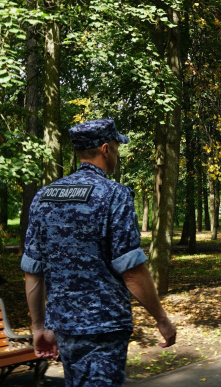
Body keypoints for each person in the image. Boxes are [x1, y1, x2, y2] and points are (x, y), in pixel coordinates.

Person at [22, 119, 176, 386]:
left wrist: (39, 327)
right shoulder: (114, 195)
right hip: (104, 328)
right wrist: (161, 319)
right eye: (116, 148)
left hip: (64, 326)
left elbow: (33, 272)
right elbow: (131, 271)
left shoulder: (44, 196)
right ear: (105, 149)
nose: (117, 154)